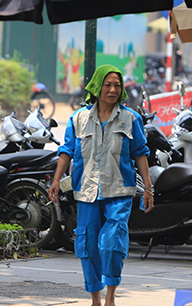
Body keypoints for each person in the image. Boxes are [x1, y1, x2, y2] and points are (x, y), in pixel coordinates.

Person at [48, 65, 153, 306]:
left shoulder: (131, 118)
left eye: (117, 85)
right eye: (108, 85)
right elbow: (66, 151)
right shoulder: (78, 119)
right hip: (86, 191)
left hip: (119, 190)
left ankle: (110, 297)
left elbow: (140, 153)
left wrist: (148, 187)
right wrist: (56, 180)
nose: (113, 89)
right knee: (87, 244)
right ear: (97, 87)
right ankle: (95, 298)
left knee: (112, 242)